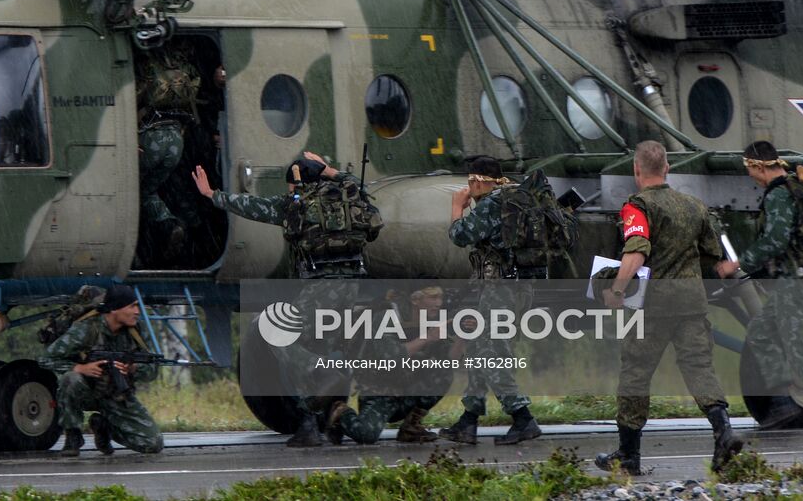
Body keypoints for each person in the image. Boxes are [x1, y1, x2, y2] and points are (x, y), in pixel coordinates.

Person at [193, 151, 383, 446]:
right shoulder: (351, 196)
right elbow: (365, 197)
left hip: (318, 290)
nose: (288, 191)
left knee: (275, 333)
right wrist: (328, 170)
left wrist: (211, 195)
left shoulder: (297, 206)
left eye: (290, 185)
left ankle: (310, 404)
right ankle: (325, 419)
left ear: (298, 183)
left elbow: (251, 206)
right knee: (323, 342)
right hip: (351, 292)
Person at [594, 140, 742, 475]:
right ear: (667, 169)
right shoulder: (694, 206)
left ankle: (629, 455)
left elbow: (636, 251)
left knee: (635, 374)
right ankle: (724, 432)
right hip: (692, 303)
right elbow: (711, 256)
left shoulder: (637, 206)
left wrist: (617, 289)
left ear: (636, 170)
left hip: (653, 307)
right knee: (699, 370)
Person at [716, 140, 803, 439]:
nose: (749, 175)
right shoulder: (792, 189)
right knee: (760, 333)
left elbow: (775, 241)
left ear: (756, 165)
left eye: (748, 168)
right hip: (796, 278)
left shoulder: (779, 195)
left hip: (796, 281)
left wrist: (739, 264)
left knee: (797, 349)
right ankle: (782, 402)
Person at [439, 155, 542, 446]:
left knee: (491, 353)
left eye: (473, 180)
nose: (470, 186)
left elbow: (459, 235)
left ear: (483, 181)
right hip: (515, 288)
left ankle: (523, 418)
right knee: (479, 348)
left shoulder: (492, 204)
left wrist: (457, 209)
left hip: (500, 290)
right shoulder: (512, 199)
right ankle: (468, 421)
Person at [39, 284, 164, 457]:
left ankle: (104, 427)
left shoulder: (137, 331)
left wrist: (134, 368)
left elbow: (152, 370)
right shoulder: (86, 329)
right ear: (114, 309)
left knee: (153, 444)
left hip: (116, 395)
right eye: (132, 306)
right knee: (70, 379)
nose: (137, 311)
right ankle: (73, 435)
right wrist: (81, 368)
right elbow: (46, 359)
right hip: (86, 393)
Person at [325, 286, 447, 445]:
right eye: (433, 297)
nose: (438, 303)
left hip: (406, 389)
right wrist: (428, 338)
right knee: (365, 436)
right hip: (379, 392)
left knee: (444, 371)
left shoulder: (432, 320)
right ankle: (341, 411)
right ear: (415, 300)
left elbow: (450, 359)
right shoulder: (387, 316)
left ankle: (411, 428)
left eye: (440, 298)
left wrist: (460, 339)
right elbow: (391, 357)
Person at [135, 44, 202, 264]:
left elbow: (130, 100)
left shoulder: (145, 65)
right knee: (147, 192)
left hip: (149, 137)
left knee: (129, 192)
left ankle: (134, 255)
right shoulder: (184, 66)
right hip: (176, 140)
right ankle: (170, 225)